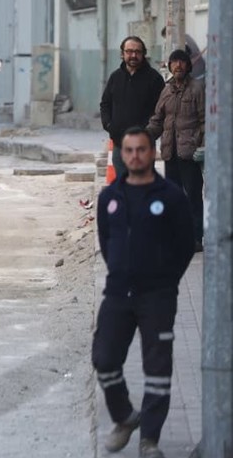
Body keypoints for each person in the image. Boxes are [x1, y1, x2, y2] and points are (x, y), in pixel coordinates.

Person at [93, 127, 195, 458]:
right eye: (129, 150)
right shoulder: (109, 198)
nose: (135, 156)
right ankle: (124, 417)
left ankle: (149, 440)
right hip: (117, 295)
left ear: (152, 153)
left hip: (157, 298)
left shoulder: (171, 197)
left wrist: (165, 282)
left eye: (141, 150)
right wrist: (122, 272)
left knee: (158, 371)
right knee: (104, 359)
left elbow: (184, 247)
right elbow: (107, 242)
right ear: (121, 154)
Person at [148, 49, 205, 252]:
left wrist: (202, 146)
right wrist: (144, 137)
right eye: (174, 62)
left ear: (187, 65)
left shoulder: (198, 88)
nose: (178, 65)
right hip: (170, 153)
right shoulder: (167, 90)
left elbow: (204, 120)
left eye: (182, 62)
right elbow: (157, 119)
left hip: (189, 154)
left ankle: (196, 238)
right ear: (170, 66)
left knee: (192, 198)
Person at [100, 36, 165, 179]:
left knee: (142, 187)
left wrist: (149, 133)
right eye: (129, 51)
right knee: (123, 187)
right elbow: (105, 104)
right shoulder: (115, 77)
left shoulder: (154, 79)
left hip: (143, 146)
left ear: (143, 54)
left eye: (137, 52)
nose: (133, 55)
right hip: (119, 144)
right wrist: (109, 125)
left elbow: (161, 111)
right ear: (122, 54)